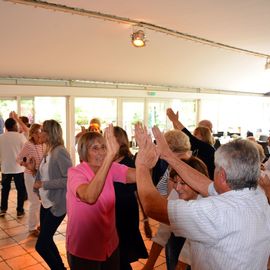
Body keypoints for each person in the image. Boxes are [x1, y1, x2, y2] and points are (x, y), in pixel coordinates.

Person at [134, 123, 270, 270]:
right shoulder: (258, 195)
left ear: (222, 175)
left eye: (217, 167)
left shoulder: (214, 212)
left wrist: (142, 165)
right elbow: (206, 184)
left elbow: (152, 206)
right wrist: (169, 156)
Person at [66, 124, 138, 270]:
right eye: (95, 148)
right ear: (84, 152)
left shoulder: (111, 168)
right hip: (84, 248)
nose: (102, 152)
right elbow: (89, 196)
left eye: (104, 147)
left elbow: (138, 176)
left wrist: (144, 158)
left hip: (109, 245)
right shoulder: (76, 172)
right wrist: (109, 159)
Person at [142, 156, 209, 270]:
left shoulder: (206, 205)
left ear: (197, 182)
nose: (177, 188)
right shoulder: (175, 194)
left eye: (183, 183)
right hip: (182, 237)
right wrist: (149, 264)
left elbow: (189, 248)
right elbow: (163, 231)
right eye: (175, 181)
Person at [26, 119, 72, 269]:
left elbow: (68, 180)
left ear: (50, 133)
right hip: (46, 203)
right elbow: (44, 177)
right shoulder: (48, 150)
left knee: (41, 245)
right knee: (47, 240)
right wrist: (33, 170)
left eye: (43, 130)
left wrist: (44, 184)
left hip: (57, 205)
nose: (40, 133)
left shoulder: (60, 152)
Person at [113, 126, 148, 270]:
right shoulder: (108, 161)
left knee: (121, 254)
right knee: (117, 254)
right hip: (112, 211)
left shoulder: (129, 163)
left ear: (118, 141)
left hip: (125, 212)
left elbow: (139, 192)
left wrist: (145, 218)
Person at [167, 108, 215, 179]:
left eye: (195, 134)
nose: (194, 136)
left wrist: (175, 121)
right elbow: (182, 136)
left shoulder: (208, 148)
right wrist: (174, 122)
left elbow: (189, 137)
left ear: (203, 135)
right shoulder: (198, 147)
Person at [17, 124, 44, 236]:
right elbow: (18, 159)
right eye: (37, 132)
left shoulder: (44, 144)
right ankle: (32, 228)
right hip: (30, 176)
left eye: (41, 132)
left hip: (42, 176)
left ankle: (39, 224)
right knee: (34, 202)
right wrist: (27, 165)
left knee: (42, 202)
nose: (40, 134)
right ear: (32, 134)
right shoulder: (28, 145)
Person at [0, 118, 27, 217]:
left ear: (6, 127)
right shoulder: (20, 137)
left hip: (6, 168)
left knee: (5, 189)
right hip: (19, 168)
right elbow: (25, 152)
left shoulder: (1, 137)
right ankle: (20, 210)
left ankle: (3, 209)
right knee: (20, 189)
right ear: (14, 126)